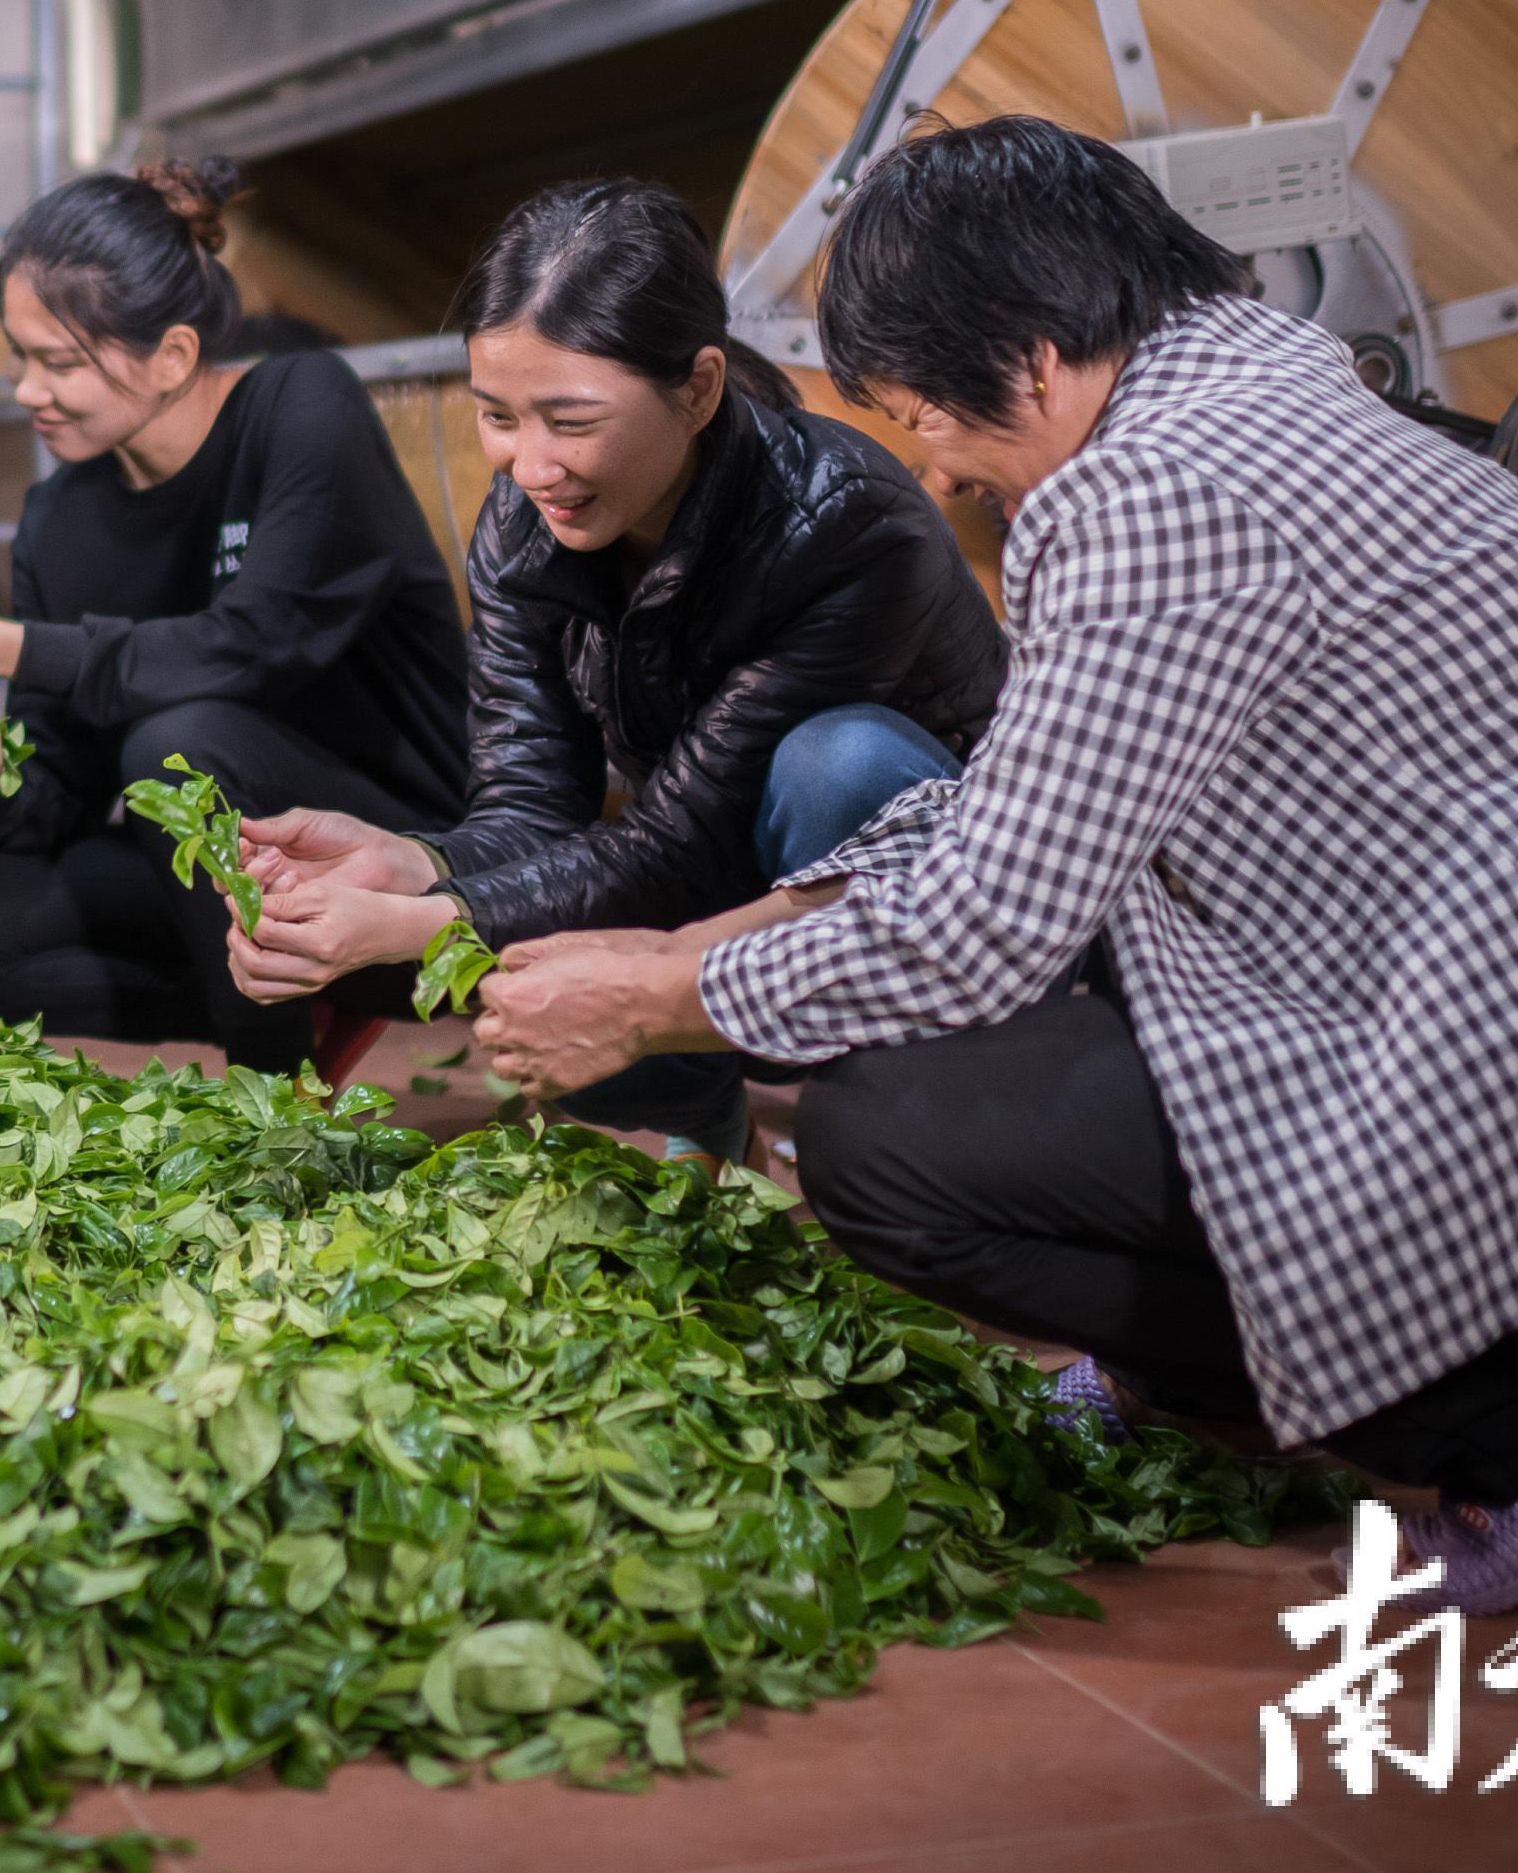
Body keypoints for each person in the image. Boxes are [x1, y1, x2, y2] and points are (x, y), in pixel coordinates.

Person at [465, 116, 1518, 1609]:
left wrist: (654, 1005)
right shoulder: (1261, 395)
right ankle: (1299, 1362)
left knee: (886, 1147)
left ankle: (1487, 1413)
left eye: (928, 417)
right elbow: (1008, 808)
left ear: (1027, 357)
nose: (938, 475)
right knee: (1077, 1010)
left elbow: (982, 930)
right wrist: (697, 947)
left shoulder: (1150, 496)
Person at [220, 179, 1005, 1159]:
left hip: (918, 871)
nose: (528, 461)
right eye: (497, 415)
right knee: (519, 966)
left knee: (831, 762)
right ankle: (702, 1111)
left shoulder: (840, 523)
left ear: (699, 388)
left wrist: (405, 925)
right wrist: (412, 861)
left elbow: (683, 850)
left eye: (571, 420)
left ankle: (909, 1121)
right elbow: (530, 809)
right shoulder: (520, 523)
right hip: (706, 859)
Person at [0, 160, 471, 1075]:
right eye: (19, 356)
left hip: (413, 865)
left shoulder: (300, 408)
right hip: (223, 894)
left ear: (174, 355)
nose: (27, 392)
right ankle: (279, 1000)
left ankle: (273, 1103)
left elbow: (255, 644)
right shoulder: (59, 521)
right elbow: (61, 796)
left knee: (176, 746)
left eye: (60, 362)